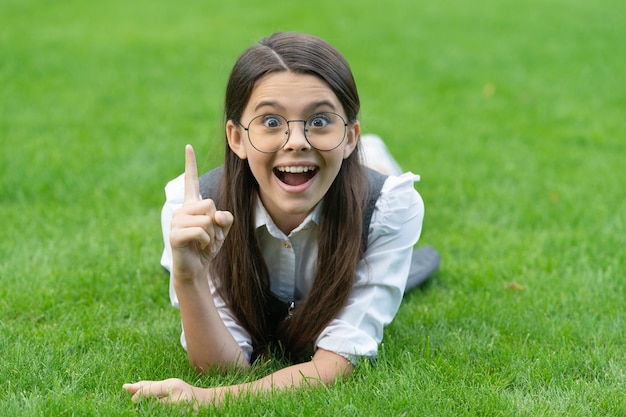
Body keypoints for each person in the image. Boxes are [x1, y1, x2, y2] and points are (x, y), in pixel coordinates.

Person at [123, 32, 438, 406]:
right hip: (325, 171)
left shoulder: (390, 208)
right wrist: (189, 277)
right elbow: (222, 368)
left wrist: (212, 400)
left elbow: (335, 362)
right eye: (271, 122)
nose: (295, 140)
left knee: (371, 185)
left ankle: (375, 156)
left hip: (352, 187)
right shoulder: (192, 208)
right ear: (236, 138)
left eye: (320, 120)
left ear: (352, 136)